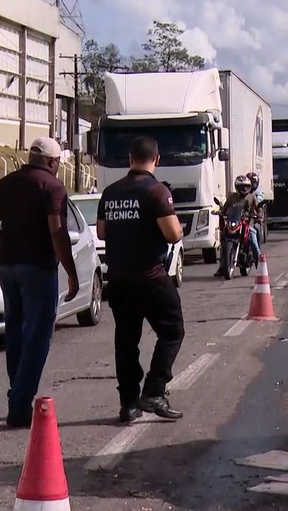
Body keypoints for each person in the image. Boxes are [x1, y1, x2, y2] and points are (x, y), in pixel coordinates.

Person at [0, 137, 79, 429]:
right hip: (37, 268)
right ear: (53, 163)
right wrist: (71, 272)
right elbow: (57, 232)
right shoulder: (52, 187)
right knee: (37, 337)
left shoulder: (6, 183)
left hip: (9, 267)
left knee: (16, 333)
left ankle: (17, 392)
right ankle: (20, 404)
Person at [98, 135, 186, 422]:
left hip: (119, 280)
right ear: (156, 159)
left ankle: (129, 403)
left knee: (126, 341)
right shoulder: (156, 191)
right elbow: (172, 234)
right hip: (151, 278)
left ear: (130, 158)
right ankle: (154, 391)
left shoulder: (110, 192)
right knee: (172, 331)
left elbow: (101, 232)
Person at [214, 175, 261, 277]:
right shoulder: (232, 197)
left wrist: (259, 215)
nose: (244, 189)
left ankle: (261, 267)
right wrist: (220, 211)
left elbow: (258, 208)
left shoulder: (251, 197)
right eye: (242, 187)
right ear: (237, 187)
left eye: (246, 186)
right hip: (234, 221)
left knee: (254, 242)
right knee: (223, 240)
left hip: (247, 223)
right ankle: (222, 267)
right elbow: (225, 207)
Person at [246, 171, 265, 250]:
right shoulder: (242, 193)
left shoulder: (257, 192)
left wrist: (259, 215)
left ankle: (257, 251)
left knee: (256, 229)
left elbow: (259, 203)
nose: (252, 184)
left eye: (253, 182)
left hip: (253, 217)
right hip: (243, 217)